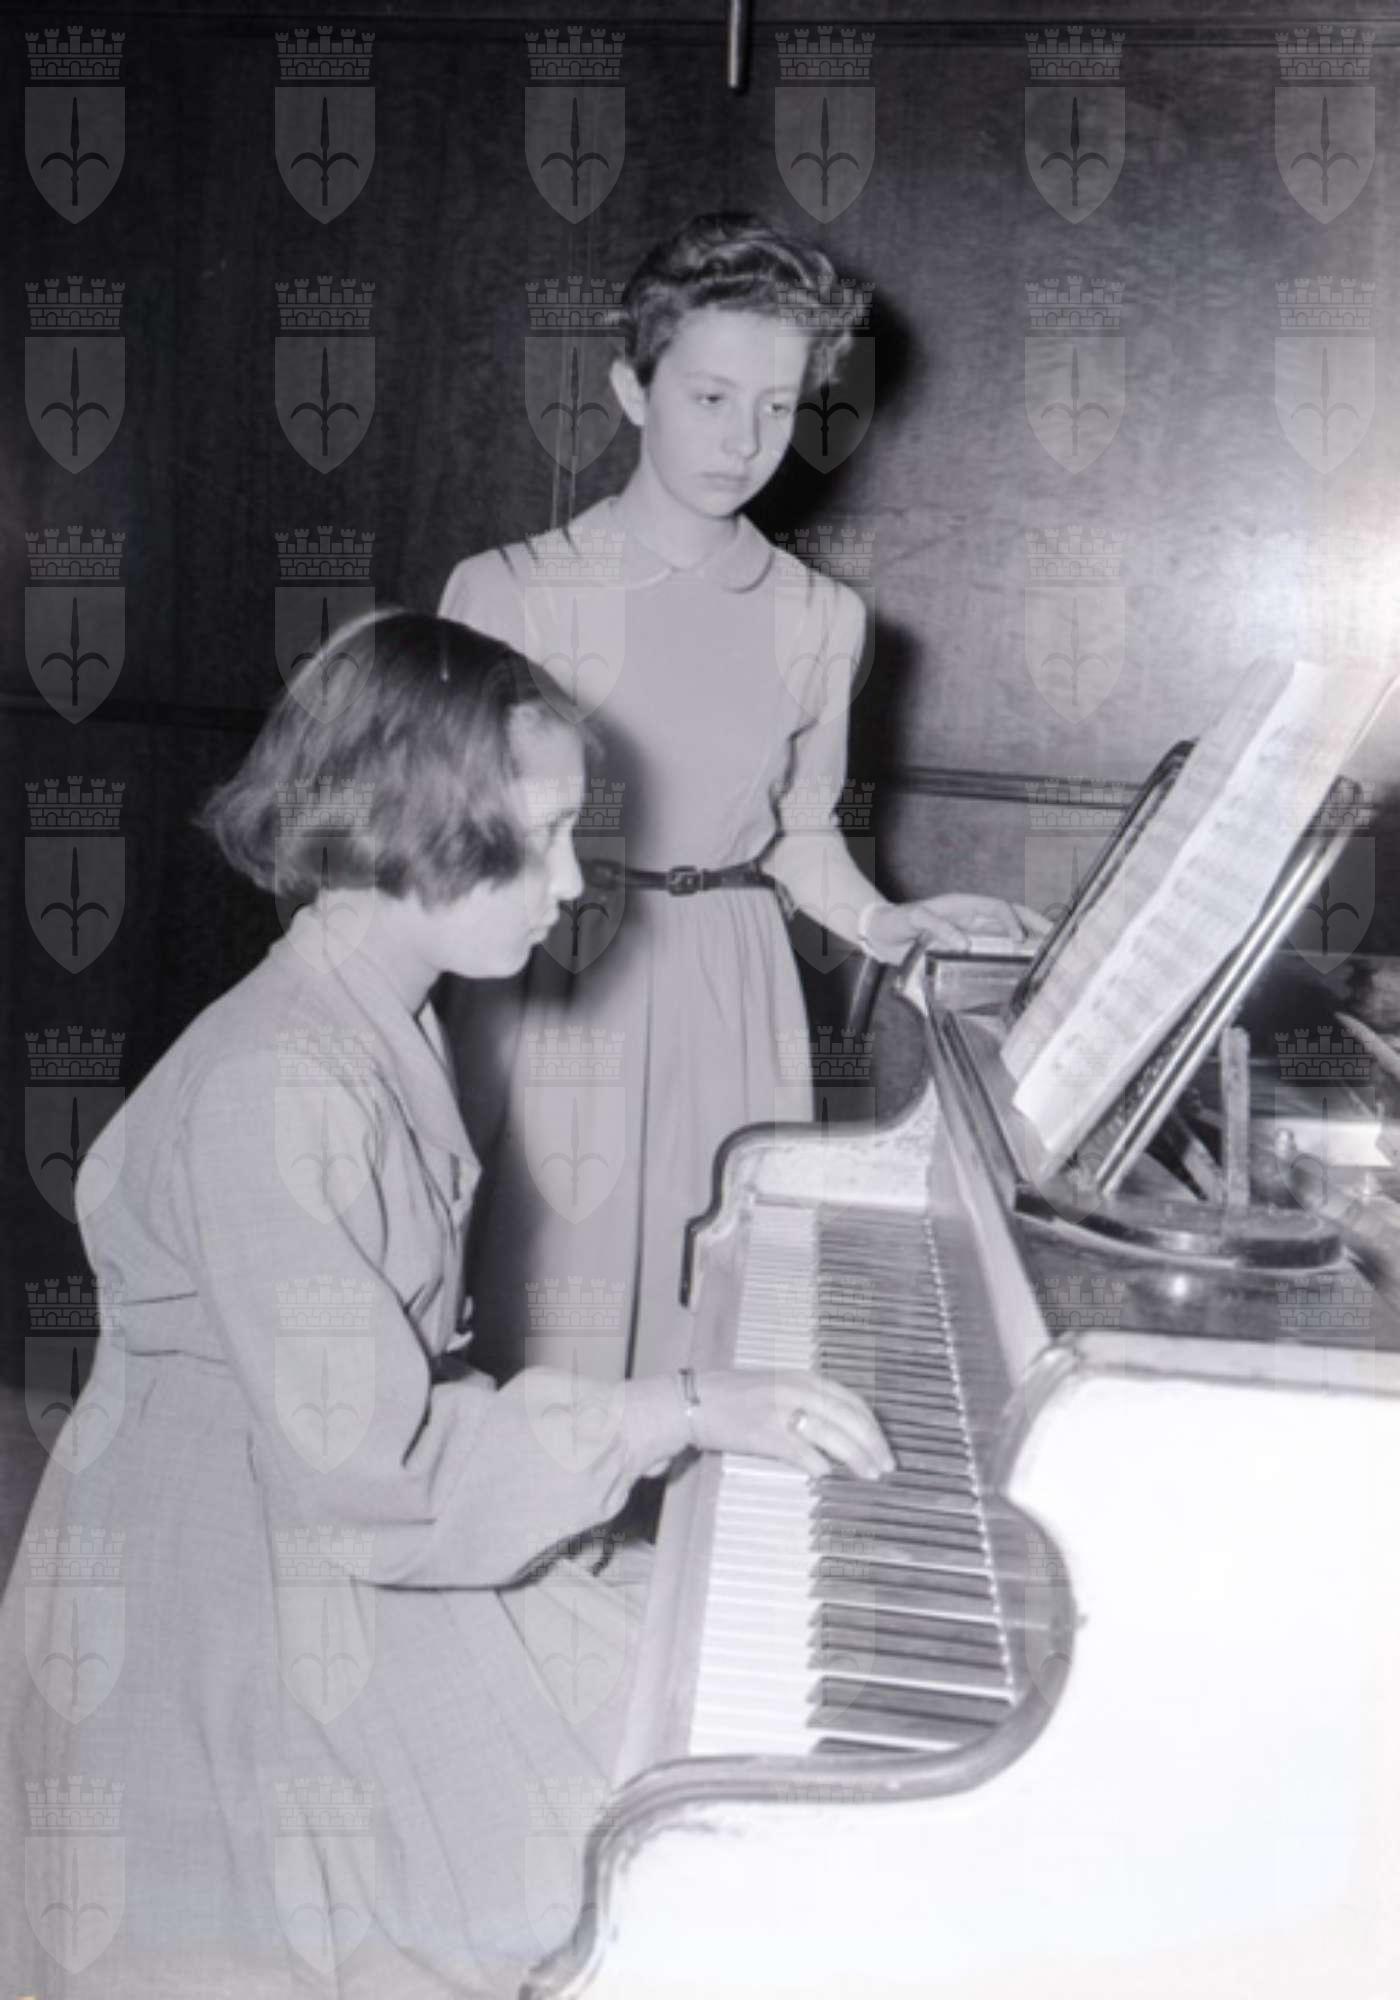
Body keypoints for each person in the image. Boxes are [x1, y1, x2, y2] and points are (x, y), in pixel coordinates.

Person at [0, 611, 893, 1999]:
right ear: (402, 829)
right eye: (536, 840)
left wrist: (668, 1419)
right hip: (232, 1569)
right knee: (589, 1856)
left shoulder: (374, 1005)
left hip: (321, 1495)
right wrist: (679, 1409)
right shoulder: (277, 1080)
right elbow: (381, 1468)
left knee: (679, 1719)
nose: (571, 882)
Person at [440, 212, 1043, 1389]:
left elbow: (799, 833)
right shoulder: (507, 591)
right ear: (631, 387)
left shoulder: (822, 617)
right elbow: (440, 843)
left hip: (734, 983)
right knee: (544, 1325)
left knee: (710, 1318)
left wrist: (882, 920)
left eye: (775, 405)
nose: (743, 440)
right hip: (553, 982)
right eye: (708, 398)